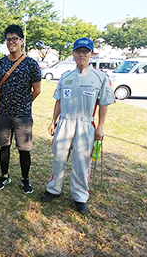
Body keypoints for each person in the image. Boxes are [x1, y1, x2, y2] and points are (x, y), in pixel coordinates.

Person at [40, 37, 115, 214]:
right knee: (59, 158)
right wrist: (53, 122)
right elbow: (58, 101)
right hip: (64, 122)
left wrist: (101, 127)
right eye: (78, 51)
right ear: (73, 53)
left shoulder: (101, 77)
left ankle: (80, 196)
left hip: (85, 124)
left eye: (85, 51)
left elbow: (103, 104)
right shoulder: (65, 76)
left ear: (91, 54)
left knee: (81, 162)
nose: (81, 55)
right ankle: (53, 189)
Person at [0, 24, 41, 194]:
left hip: (23, 115)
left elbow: (37, 90)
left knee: (24, 149)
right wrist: (7, 101)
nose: (11, 42)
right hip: (4, 112)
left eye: (14, 39)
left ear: (22, 40)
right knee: (4, 147)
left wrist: (24, 103)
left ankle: (25, 180)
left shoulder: (31, 64)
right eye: (8, 39)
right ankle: (4, 176)